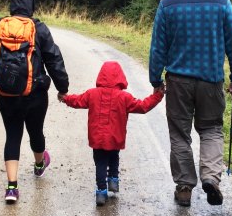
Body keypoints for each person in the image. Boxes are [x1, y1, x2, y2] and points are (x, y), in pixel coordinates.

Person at [148, 0, 232, 207]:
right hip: (211, 81)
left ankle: (184, 187)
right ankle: (211, 178)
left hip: (179, 82)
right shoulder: (222, 3)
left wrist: (155, 79)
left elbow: (158, 48)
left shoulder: (167, 5)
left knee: (180, 134)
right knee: (211, 129)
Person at [0, 0, 70, 203]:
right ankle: (39, 164)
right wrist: (62, 88)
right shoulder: (38, 29)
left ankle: (12, 187)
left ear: (12, 4)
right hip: (35, 94)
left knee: (12, 135)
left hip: (6, 96)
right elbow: (54, 59)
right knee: (35, 131)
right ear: (31, 4)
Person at [60, 61, 164, 206]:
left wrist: (65, 98)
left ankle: (101, 192)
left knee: (100, 163)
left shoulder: (92, 94)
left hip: (97, 137)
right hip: (116, 137)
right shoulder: (124, 97)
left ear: (101, 76)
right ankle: (113, 180)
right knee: (114, 156)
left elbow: (77, 101)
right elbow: (142, 106)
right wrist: (157, 96)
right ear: (120, 77)